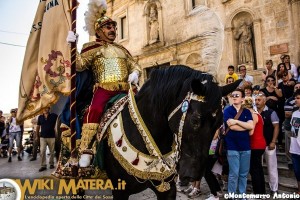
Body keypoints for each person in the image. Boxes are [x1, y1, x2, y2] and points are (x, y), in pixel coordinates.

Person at [66, 6, 141, 170]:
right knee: (95, 110)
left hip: (126, 89)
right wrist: (72, 46)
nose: (113, 29)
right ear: (99, 31)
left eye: (114, 26)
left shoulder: (122, 49)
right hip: (104, 89)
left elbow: (135, 64)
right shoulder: (91, 47)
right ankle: (86, 150)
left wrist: (135, 72)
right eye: (109, 27)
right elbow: (79, 65)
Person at [223, 89, 253, 196]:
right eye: (233, 95)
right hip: (232, 146)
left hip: (245, 146)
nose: (234, 97)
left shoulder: (247, 112)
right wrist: (244, 126)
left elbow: (251, 126)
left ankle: (242, 194)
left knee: (243, 174)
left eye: (237, 95)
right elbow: (232, 127)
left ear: (242, 99)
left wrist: (236, 121)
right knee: (234, 173)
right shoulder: (227, 110)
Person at [255, 92, 279, 195]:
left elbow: (276, 127)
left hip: (269, 144)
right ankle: (260, 189)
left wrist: (273, 141)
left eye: (259, 100)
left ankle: (274, 189)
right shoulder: (254, 113)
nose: (256, 102)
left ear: (264, 101)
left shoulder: (271, 112)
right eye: (255, 100)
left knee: (271, 167)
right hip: (257, 145)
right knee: (257, 169)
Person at [244, 97, 266, 195]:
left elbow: (251, 132)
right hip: (259, 144)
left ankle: (258, 193)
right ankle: (261, 192)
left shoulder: (253, 115)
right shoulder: (258, 114)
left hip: (255, 145)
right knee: (258, 169)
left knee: (254, 170)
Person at [36, 107, 58, 172]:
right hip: (43, 137)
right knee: (42, 151)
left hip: (52, 136)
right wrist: (37, 136)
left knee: (52, 152)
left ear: (49, 109)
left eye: (46, 108)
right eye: (44, 108)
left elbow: (58, 124)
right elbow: (38, 126)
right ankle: (43, 165)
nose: (45, 109)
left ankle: (51, 163)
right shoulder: (40, 117)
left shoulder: (54, 116)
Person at [289, 89, 300, 195]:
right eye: (295, 98)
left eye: (298, 98)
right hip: (295, 148)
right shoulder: (295, 113)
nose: (296, 100)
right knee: (297, 172)